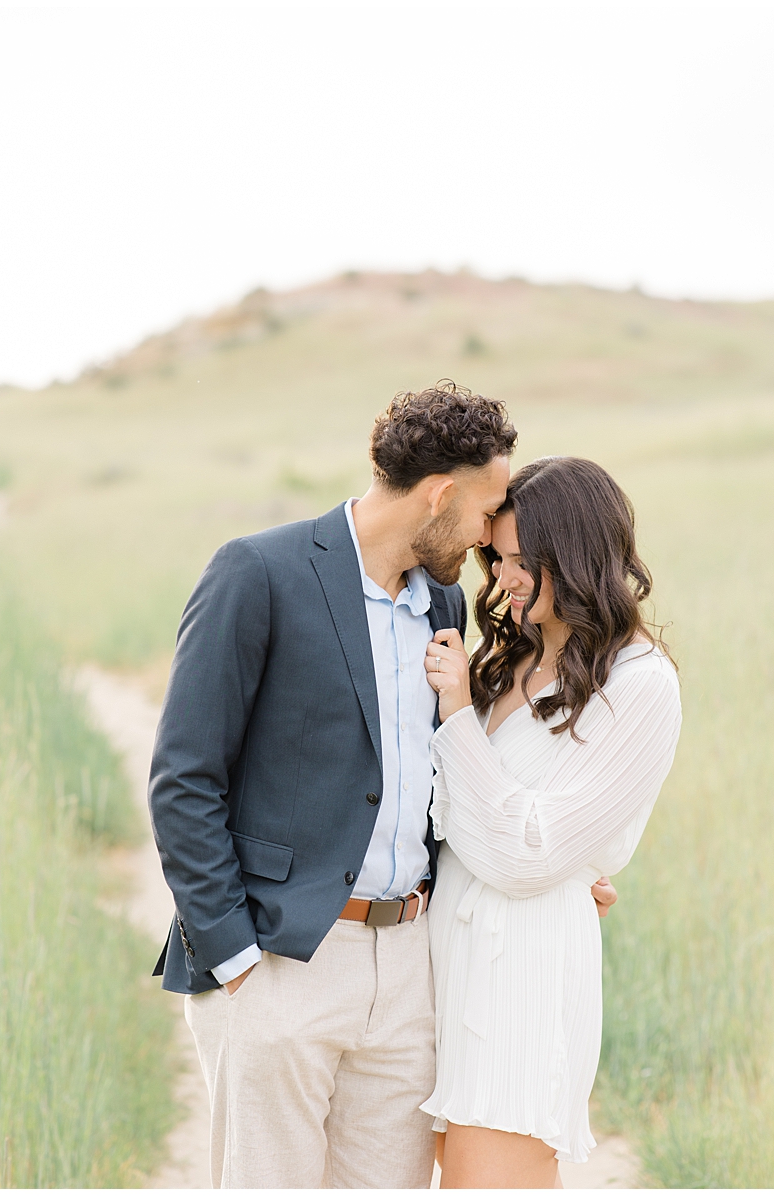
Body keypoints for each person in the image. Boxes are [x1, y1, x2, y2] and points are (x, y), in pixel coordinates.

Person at [147, 382, 619, 1188]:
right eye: (485, 512)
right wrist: (235, 962)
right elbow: (183, 780)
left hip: (409, 972)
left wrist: (560, 866)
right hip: (282, 962)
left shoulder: (440, 600)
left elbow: (439, 774)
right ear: (440, 496)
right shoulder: (258, 572)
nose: (487, 540)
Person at [420, 457, 681, 1188]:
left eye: (522, 561)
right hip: (443, 959)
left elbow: (530, 853)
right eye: (496, 558)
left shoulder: (639, 685)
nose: (503, 579)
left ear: (576, 552)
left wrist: (454, 718)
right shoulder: (511, 658)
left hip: (519, 975)